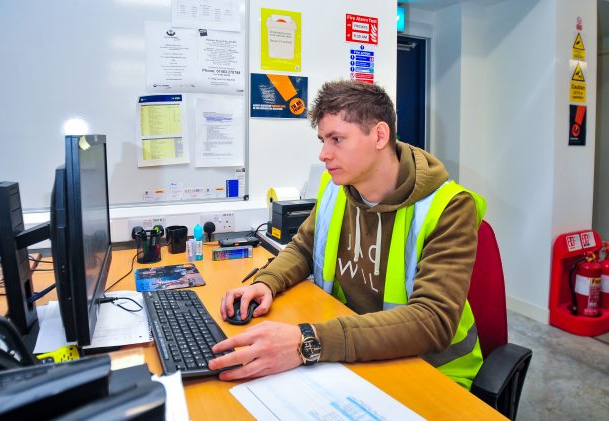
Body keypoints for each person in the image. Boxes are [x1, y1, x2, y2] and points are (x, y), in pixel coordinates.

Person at [208, 80, 486, 389]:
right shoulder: (336, 188)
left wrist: (308, 340)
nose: (324, 154)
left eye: (336, 139)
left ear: (379, 135)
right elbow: (303, 248)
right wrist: (267, 282)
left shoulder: (449, 207)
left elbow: (432, 320)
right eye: (322, 140)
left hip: (431, 368)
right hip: (353, 350)